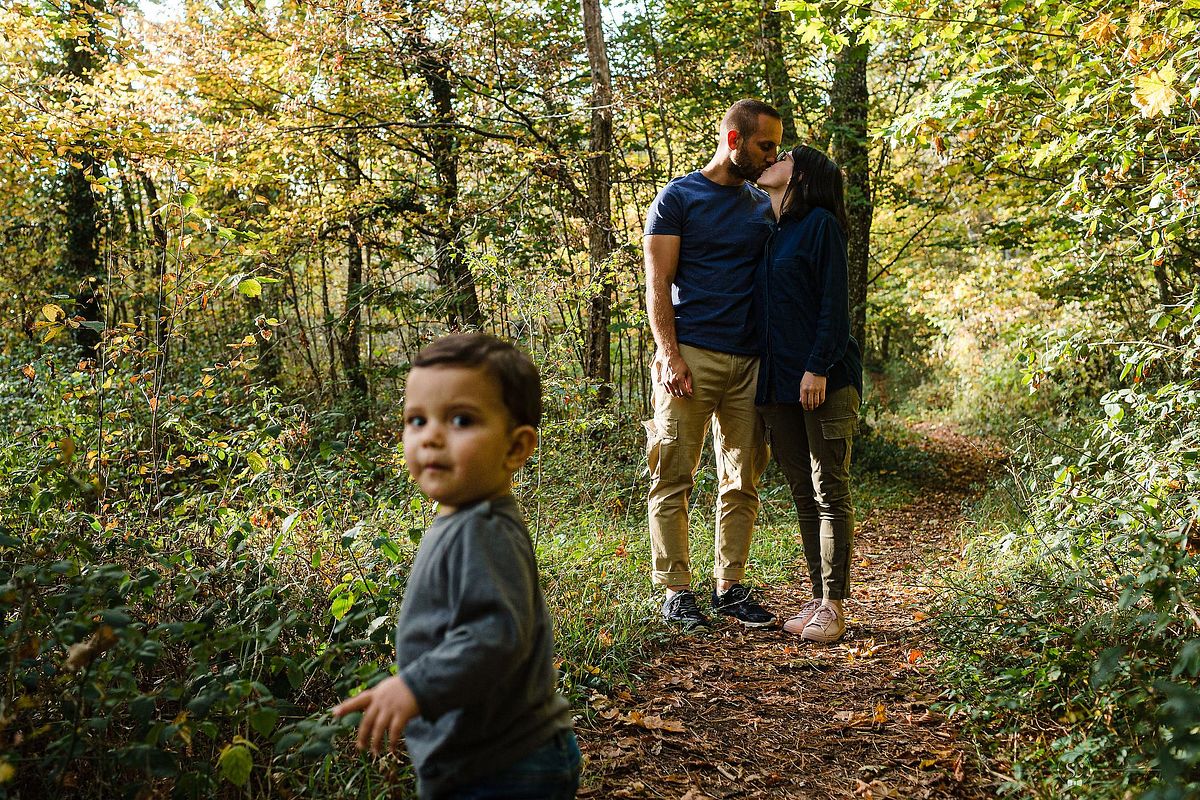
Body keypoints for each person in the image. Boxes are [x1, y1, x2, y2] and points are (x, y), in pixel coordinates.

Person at [332, 333, 579, 799]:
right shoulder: (466, 518)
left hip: (503, 765)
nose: (431, 436)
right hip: (482, 758)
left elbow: (495, 633)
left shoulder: (482, 528)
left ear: (516, 447)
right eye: (416, 420)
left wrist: (415, 687)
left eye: (461, 419)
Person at [643, 99, 783, 630]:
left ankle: (731, 588)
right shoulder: (679, 198)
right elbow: (657, 283)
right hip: (691, 357)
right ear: (733, 141)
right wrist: (669, 352)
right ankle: (676, 591)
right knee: (672, 473)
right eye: (764, 145)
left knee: (742, 478)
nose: (773, 155)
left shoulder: (762, 205)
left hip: (751, 362)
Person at [754, 145, 864, 643]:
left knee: (828, 490)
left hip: (824, 381)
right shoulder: (771, 232)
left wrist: (817, 367)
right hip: (778, 386)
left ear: (801, 175)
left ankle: (835, 608)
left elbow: (834, 309)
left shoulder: (821, 225)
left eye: (785, 156)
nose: (772, 158)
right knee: (803, 493)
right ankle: (820, 600)